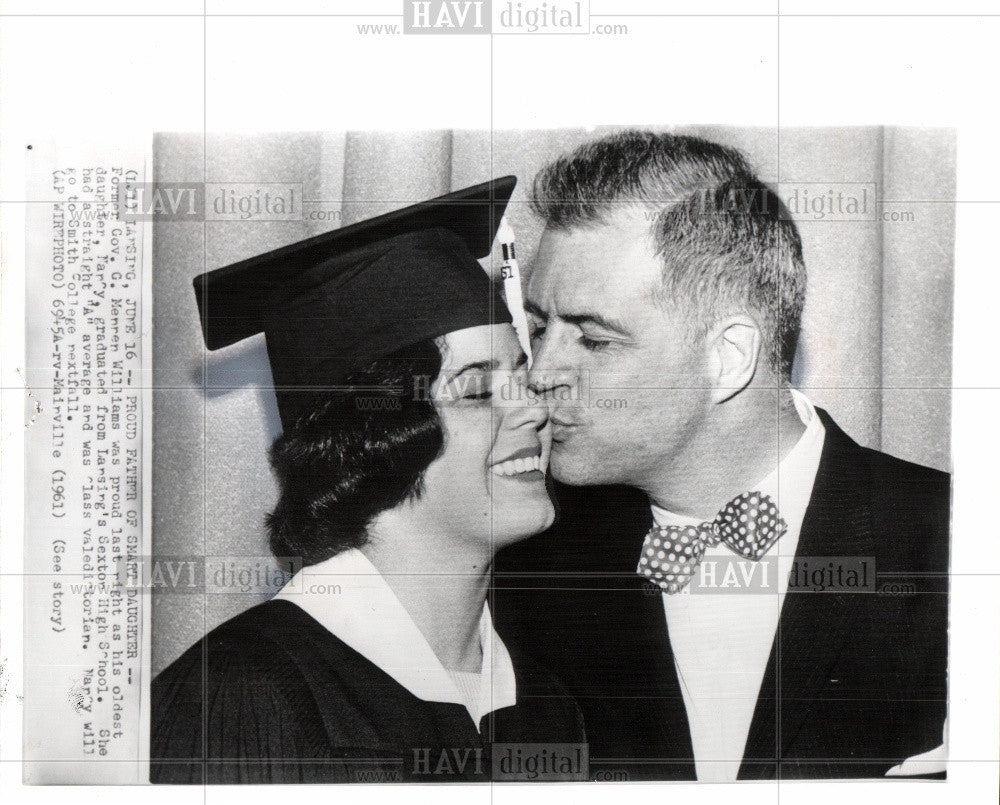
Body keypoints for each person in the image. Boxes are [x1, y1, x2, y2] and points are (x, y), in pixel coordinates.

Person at [493, 131, 950, 781]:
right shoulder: (526, 568)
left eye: (592, 340)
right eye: (538, 328)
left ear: (728, 359)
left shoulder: (963, 549)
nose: (539, 373)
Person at [151, 178, 584, 784]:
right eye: (479, 389)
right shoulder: (237, 696)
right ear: (372, 443)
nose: (534, 410)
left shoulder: (544, 709)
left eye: (523, 376)